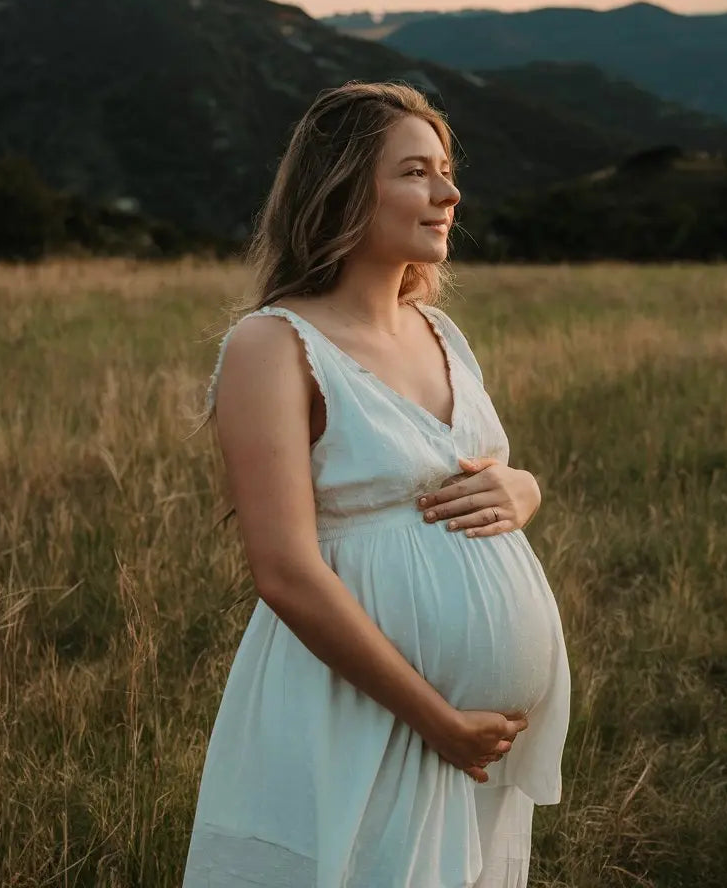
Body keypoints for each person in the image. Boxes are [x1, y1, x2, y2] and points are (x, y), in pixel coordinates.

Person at [182, 81, 571, 888]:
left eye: (447, 170)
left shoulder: (439, 330)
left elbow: (472, 473)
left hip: (470, 746)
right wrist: (438, 721)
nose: (449, 193)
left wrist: (524, 487)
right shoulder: (273, 344)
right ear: (344, 188)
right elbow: (284, 571)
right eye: (416, 173)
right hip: (361, 712)